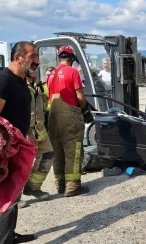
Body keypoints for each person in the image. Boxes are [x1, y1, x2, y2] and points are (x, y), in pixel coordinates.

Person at [0, 41, 39, 243]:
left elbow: (21, 113)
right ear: (18, 57)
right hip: (6, 149)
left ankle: (9, 234)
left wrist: (29, 135)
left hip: (18, 144)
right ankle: (3, 240)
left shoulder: (20, 80)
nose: (37, 61)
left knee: (15, 193)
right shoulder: (3, 80)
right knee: (8, 195)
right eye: (32, 56)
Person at [47, 45, 93, 197]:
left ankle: (60, 185)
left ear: (59, 57)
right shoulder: (73, 72)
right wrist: (85, 110)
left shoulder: (51, 73)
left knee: (58, 151)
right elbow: (80, 96)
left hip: (53, 116)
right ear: (72, 58)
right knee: (73, 150)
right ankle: (72, 187)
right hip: (69, 115)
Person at [22, 69, 54, 199]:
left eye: (35, 68)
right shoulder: (19, 85)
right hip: (24, 130)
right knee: (23, 163)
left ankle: (33, 188)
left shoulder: (38, 84)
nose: (34, 70)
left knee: (47, 154)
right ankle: (15, 198)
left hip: (39, 128)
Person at [43, 66, 55, 132]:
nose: (48, 77)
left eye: (49, 75)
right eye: (47, 75)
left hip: (55, 113)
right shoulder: (43, 86)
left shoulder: (58, 86)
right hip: (45, 113)